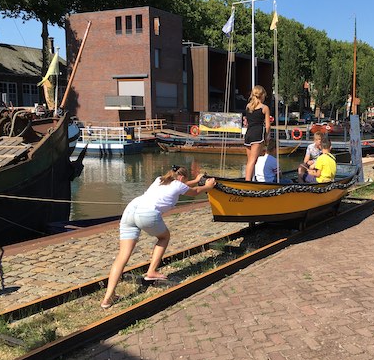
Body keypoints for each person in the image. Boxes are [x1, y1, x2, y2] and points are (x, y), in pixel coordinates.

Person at [101, 166, 216, 309]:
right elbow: (195, 192)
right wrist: (207, 186)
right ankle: (151, 271)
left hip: (131, 209)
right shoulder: (178, 184)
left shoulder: (160, 180)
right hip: (147, 213)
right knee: (164, 237)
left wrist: (195, 180)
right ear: (181, 178)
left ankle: (108, 298)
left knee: (122, 255)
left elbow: (181, 186)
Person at [244, 85, 271, 181]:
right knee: (252, 161)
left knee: (249, 161)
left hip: (248, 134)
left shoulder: (248, 107)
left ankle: (250, 179)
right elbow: (268, 126)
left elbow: (247, 122)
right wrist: (266, 138)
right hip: (258, 134)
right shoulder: (265, 108)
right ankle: (248, 183)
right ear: (262, 95)